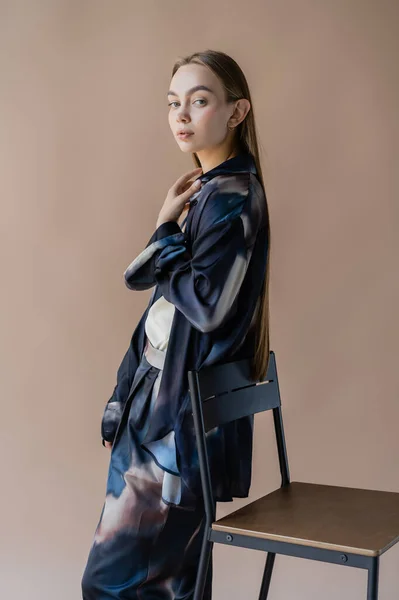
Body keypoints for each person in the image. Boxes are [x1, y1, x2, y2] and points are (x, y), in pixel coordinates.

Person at [81, 49, 271, 599]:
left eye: (200, 100)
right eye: (173, 103)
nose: (182, 115)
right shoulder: (210, 191)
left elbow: (205, 306)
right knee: (174, 584)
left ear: (237, 112)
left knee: (115, 583)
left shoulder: (235, 198)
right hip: (163, 405)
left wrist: (166, 234)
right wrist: (167, 223)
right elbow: (138, 278)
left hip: (177, 420)